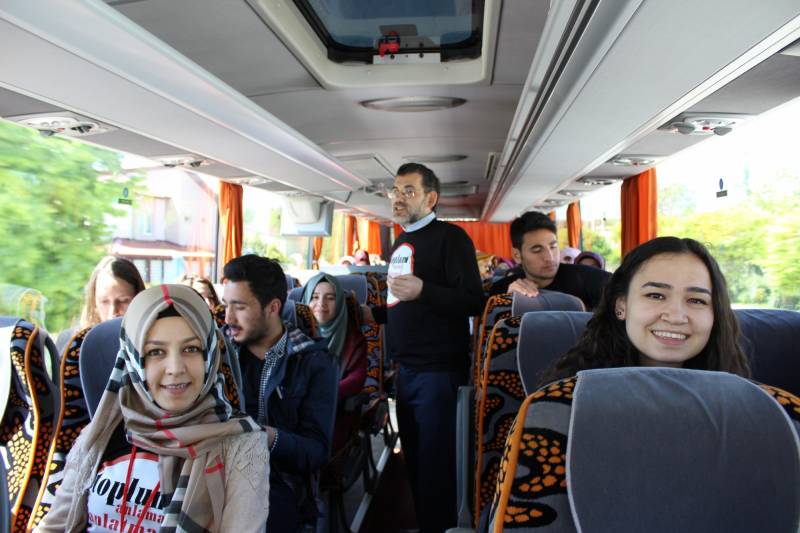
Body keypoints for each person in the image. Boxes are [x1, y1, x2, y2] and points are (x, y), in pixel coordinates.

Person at [36, 284, 269, 532]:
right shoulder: (101, 432)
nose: (175, 368)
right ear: (133, 359)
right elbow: (53, 527)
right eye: (156, 352)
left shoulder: (242, 446)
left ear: (209, 356)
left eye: (191, 349)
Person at [366, 163, 484, 533]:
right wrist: (373, 314)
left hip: (439, 373)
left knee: (437, 467)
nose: (398, 198)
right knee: (415, 461)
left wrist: (424, 290)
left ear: (431, 199)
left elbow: (473, 300)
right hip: (406, 372)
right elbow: (403, 304)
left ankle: (442, 527)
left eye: (409, 191)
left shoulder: (451, 238)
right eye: (395, 191)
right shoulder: (400, 242)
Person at [537, 236, 750, 387]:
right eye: (656, 296)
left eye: (696, 300)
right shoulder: (567, 402)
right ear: (621, 306)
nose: (675, 317)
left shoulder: (752, 405)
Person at [222, 255, 337, 532]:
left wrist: (263, 436)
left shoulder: (313, 363)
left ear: (273, 307)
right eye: (226, 305)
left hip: (280, 483)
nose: (228, 318)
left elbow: (315, 452)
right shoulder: (218, 354)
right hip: (218, 474)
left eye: (240, 307)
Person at [489, 211, 611, 310]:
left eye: (553, 247)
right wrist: (507, 302)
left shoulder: (586, 278)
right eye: (537, 250)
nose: (550, 257)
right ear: (517, 255)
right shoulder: (501, 291)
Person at [302, 273, 368, 451]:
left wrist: (323, 393)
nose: (321, 304)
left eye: (330, 298)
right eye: (315, 297)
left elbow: (357, 379)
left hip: (335, 412)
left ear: (339, 303)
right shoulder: (294, 334)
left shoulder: (354, 339)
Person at [56, 255, 146, 352]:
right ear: (94, 303)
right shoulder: (69, 344)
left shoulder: (151, 344)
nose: (113, 312)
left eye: (123, 301)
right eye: (104, 301)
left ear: (139, 301)